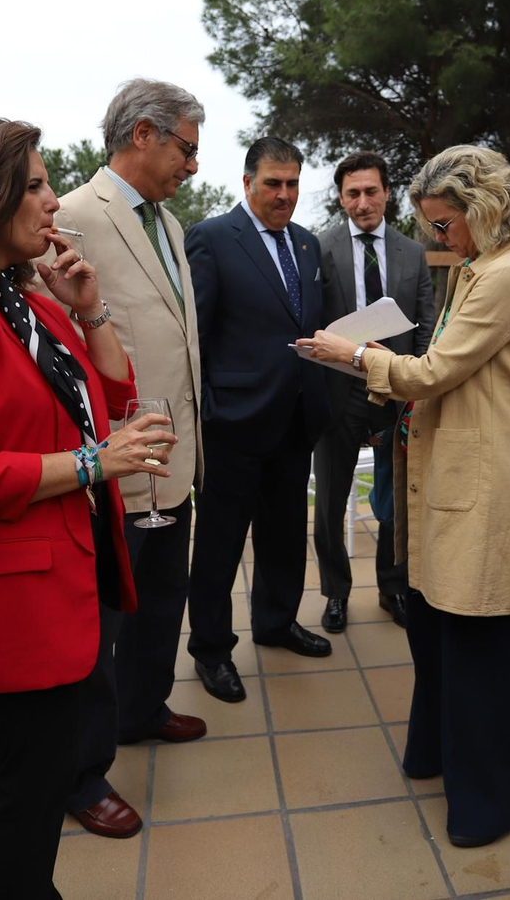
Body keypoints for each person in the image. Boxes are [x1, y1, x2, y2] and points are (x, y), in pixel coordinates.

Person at [0, 118, 175, 897]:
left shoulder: (27, 300)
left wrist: (89, 310)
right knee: (24, 801)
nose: (53, 202)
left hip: (68, 575)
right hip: (14, 598)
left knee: (42, 787)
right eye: (39, 184)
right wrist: (95, 461)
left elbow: (110, 399)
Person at [300, 144, 510, 849]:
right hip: (457, 468)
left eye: (447, 224)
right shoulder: (478, 265)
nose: (441, 239)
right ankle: (439, 753)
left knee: (478, 633)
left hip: (490, 477)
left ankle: (490, 796)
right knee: (440, 625)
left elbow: (435, 368)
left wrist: (352, 355)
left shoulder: (509, 273)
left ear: (484, 210)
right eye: (436, 226)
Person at [41, 79, 210, 838]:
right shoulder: (75, 213)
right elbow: (62, 333)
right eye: (186, 148)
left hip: (174, 449)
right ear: (143, 134)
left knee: (162, 597)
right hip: (113, 456)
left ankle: (144, 708)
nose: (193, 166)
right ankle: (82, 770)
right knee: (104, 614)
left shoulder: (168, 222)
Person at [184, 137, 331, 702]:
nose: (285, 194)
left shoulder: (308, 244)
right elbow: (197, 334)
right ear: (247, 183)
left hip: (296, 419)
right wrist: (208, 412)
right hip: (234, 423)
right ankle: (212, 650)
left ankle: (275, 622)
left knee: (285, 536)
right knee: (220, 545)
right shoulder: (214, 238)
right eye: (273, 183)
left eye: (293, 183)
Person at [313, 150, 435, 632]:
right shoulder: (319, 249)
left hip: (398, 390)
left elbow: (425, 323)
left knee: (395, 497)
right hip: (338, 392)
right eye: (352, 193)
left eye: (370, 191)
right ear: (341, 198)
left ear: (386, 192)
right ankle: (336, 593)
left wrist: (418, 384)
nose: (362, 202)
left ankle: (392, 586)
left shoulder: (413, 252)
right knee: (330, 499)